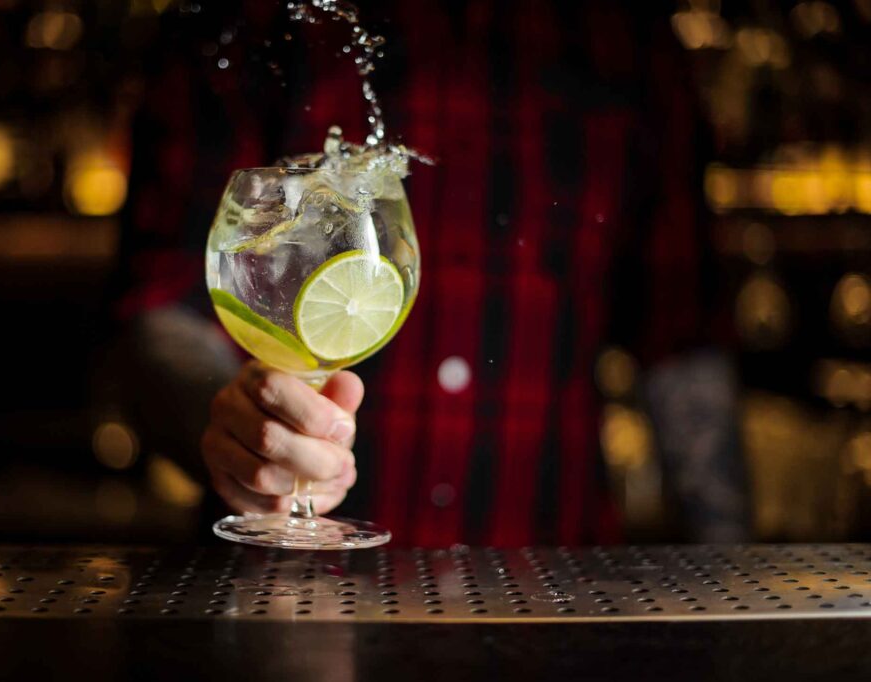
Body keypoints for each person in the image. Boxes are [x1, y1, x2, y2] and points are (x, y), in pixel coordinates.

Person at [115, 0, 720, 547]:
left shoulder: (625, 35)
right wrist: (240, 440)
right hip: (277, 600)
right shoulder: (252, 18)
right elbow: (162, 303)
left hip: (550, 584)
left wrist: (727, 569)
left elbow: (681, 332)